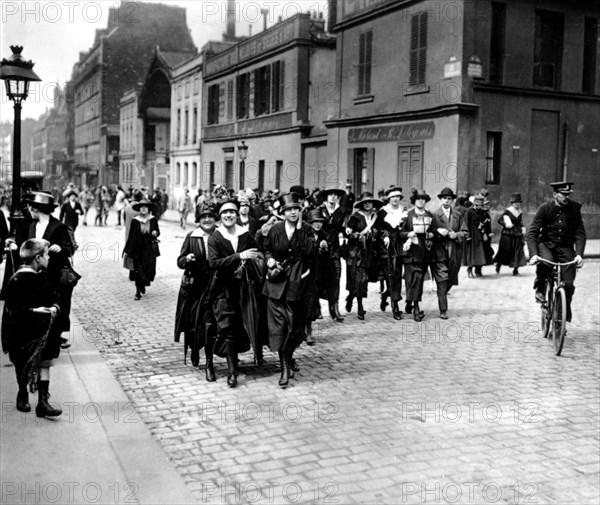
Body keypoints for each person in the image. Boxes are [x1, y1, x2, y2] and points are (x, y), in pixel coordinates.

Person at [1, 239, 63, 417]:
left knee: (45, 362)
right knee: (22, 363)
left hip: (43, 330)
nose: (49, 258)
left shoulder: (44, 276)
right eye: (46, 255)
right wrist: (34, 310)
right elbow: (12, 309)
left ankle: (43, 402)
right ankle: (22, 393)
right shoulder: (17, 280)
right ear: (37, 258)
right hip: (23, 332)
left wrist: (54, 307)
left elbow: (55, 296)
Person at [262, 192, 316, 388]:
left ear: (301, 211)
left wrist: (301, 231)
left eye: (296, 209)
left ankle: (289, 356)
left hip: (299, 284)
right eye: (289, 210)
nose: (293, 213)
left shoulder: (307, 229)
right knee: (280, 328)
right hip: (276, 285)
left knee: (295, 328)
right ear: (283, 213)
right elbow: (266, 248)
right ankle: (284, 366)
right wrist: (269, 260)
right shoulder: (276, 230)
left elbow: (311, 252)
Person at [207, 200, 261, 388]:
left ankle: (241, 359)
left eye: (232, 212)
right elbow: (213, 263)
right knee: (227, 327)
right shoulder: (215, 237)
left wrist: (256, 259)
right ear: (220, 217)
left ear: (237, 214)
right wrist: (239, 256)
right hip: (223, 289)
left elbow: (257, 252)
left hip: (243, 288)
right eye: (224, 213)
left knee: (241, 325)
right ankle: (232, 371)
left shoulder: (245, 234)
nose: (228, 215)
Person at [526, 181, 585, 324]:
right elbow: (532, 233)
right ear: (555, 195)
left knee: (569, 284)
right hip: (546, 244)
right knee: (545, 263)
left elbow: (579, 233)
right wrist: (533, 254)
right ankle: (540, 287)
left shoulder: (574, 209)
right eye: (563, 194)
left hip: (565, 247)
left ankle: (562, 314)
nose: (566, 197)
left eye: (568, 194)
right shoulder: (545, 209)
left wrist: (579, 254)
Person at [174, 204, 218, 379]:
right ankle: (194, 348)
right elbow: (180, 261)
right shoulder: (192, 237)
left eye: (210, 217)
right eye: (203, 217)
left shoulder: (221, 235)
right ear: (198, 221)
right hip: (196, 287)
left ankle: (209, 362)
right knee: (194, 323)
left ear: (215, 219)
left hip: (215, 286)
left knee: (210, 324)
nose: (207, 220)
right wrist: (187, 259)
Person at [399, 189, 438, 321]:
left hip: (424, 251)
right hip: (410, 251)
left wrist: (432, 234)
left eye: (423, 199)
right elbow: (399, 233)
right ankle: (416, 308)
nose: (421, 201)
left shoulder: (430, 215)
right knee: (413, 278)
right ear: (414, 201)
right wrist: (408, 234)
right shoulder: (408, 215)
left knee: (418, 279)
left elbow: (434, 231)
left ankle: (410, 302)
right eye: (418, 199)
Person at [345, 193, 383, 320]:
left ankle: (351, 297)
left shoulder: (375, 217)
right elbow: (348, 233)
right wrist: (354, 234)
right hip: (357, 253)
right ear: (361, 204)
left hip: (370, 253)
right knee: (359, 280)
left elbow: (379, 231)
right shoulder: (355, 217)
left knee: (363, 280)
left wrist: (378, 233)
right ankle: (359, 307)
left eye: (370, 202)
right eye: (365, 202)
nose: (367, 204)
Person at [376, 186, 406, 320]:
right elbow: (378, 229)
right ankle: (395, 307)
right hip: (386, 247)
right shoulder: (382, 212)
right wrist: (385, 235)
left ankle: (385, 296)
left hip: (400, 246)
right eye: (393, 197)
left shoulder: (402, 211)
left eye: (397, 197)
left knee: (397, 275)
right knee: (391, 275)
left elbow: (405, 227)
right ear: (388, 198)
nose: (395, 199)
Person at [123, 198, 160, 300]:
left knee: (147, 269)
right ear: (139, 209)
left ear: (148, 209)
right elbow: (131, 235)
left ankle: (143, 284)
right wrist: (127, 249)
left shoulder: (153, 220)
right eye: (142, 207)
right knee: (138, 270)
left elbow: (157, 231)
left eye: (145, 207)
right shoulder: (135, 221)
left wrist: (155, 233)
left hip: (149, 249)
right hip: (138, 249)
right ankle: (137, 292)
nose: (143, 209)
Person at [319, 187, 346, 322]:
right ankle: (316, 308)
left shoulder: (340, 211)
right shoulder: (319, 210)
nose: (333, 197)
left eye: (335, 195)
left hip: (334, 249)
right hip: (320, 248)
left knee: (335, 279)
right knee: (318, 279)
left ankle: (334, 309)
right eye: (331, 195)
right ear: (326, 197)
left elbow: (341, 228)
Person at [433, 187, 466, 294]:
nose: (446, 200)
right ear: (440, 200)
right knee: (441, 272)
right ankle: (441, 291)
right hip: (440, 247)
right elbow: (430, 231)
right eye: (444, 198)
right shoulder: (435, 215)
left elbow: (465, 232)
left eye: (449, 198)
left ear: (452, 200)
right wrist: (438, 230)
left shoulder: (457, 215)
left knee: (453, 271)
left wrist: (456, 235)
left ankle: (444, 290)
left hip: (454, 248)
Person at [305, 208, 328, 344]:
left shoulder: (323, 234)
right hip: (305, 271)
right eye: (315, 222)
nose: (318, 224)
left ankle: (308, 329)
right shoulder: (305, 234)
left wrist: (324, 249)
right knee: (307, 301)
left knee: (312, 301)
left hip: (317, 272)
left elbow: (325, 257)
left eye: (320, 222)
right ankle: (305, 330)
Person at [494, 193, 527, 276]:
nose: (517, 204)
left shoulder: (520, 211)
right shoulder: (508, 211)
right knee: (505, 250)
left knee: (517, 251)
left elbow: (520, 222)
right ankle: (498, 265)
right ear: (512, 203)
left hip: (517, 234)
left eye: (519, 202)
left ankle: (515, 270)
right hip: (508, 234)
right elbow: (499, 220)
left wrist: (523, 227)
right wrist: (506, 224)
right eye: (516, 202)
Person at [462, 195, 488, 278]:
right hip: (472, 234)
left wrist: (482, 225)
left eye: (481, 206)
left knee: (480, 253)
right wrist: (467, 235)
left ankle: (478, 270)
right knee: (471, 253)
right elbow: (466, 223)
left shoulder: (482, 212)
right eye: (478, 205)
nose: (479, 207)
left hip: (480, 234)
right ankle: (469, 270)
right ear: (475, 204)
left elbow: (484, 221)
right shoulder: (469, 212)